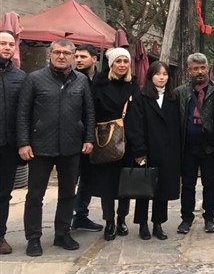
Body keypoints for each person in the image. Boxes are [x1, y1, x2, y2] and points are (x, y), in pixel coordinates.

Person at [16, 39, 95, 256]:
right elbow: (23, 113)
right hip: (40, 147)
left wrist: (88, 138)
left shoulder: (81, 80)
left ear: (73, 56)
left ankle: (62, 233)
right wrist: (23, 142)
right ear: (50, 54)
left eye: (66, 53)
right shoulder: (34, 79)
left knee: (68, 193)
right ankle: (33, 238)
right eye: (57, 52)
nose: (61, 56)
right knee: (35, 195)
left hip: (71, 146)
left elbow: (89, 112)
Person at [126, 61, 181, 240]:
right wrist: (139, 151)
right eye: (158, 74)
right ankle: (142, 224)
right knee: (144, 188)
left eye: (165, 74)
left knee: (162, 189)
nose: (161, 77)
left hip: (167, 151)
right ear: (151, 76)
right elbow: (135, 125)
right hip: (147, 149)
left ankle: (158, 223)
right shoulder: (141, 96)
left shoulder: (173, 97)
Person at [88, 47, 139, 241]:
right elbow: (91, 112)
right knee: (107, 185)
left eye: (125, 62)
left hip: (128, 141)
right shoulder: (99, 84)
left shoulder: (134, 85)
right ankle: (109, 220)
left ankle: (121, 219)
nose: (122, 65)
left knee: (125, 183)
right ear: (111, 64)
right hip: (106, 140)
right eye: (118, 61)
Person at [175, 53, 214, 235]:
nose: (200, 72)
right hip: (188, 146)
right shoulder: (180, 92)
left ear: (207, 69)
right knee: (188, 184)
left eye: (202, 68)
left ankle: (209, 217)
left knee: (210, 183)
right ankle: (186, 218)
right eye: (195, 68)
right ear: (189, 71)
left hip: (210, 146)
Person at [71, 44, 102, 232]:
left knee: (88, 180)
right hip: (73, 137)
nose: (79, 60)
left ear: (94, 59)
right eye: (76, 57)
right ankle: (64, 219)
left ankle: (81, 215)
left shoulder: (103, 79)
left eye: (83, 57)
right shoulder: (71, 78)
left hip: (96, 138)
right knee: (70, 181)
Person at [0, 31, 26, 254]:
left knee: (4, 193)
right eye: (2, 43)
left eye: (10, 44)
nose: (7, 47)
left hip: (8, 145)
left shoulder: (20, 77)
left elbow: (24, 112)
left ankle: (0, 236)